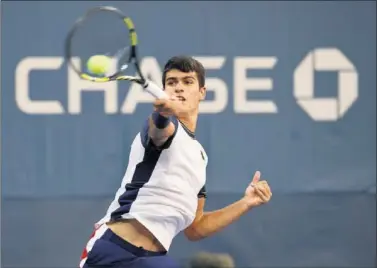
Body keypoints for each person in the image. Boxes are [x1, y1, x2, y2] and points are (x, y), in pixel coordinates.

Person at [79, 56, 272, 268]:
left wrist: (246, 203)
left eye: (187, 82)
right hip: (113, 252)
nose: (179, 88)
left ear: (202, 93)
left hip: (153, 260)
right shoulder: (163, 127)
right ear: (164, 90)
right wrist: (162, 114)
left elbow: (196, 228)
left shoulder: (200, 157)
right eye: (172, 82)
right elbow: (159, 131)